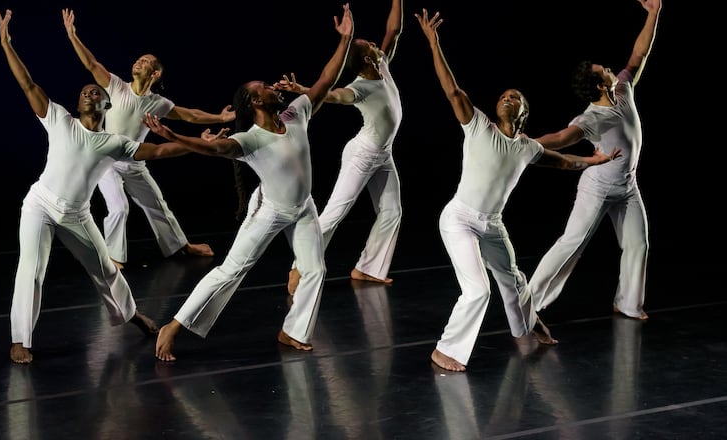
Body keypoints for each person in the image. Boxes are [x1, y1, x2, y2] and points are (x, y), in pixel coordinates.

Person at [0, 9, 223, 364]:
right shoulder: (59, 119)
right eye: (84, 92)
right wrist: (6, 44)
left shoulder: (113, 142)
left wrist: (197, 143)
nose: (89, 92)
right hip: (40, 205)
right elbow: (27, 83)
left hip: (77, 214)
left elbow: (159, 151)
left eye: (94, 92)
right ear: (79, 103)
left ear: (106, 103)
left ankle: (132, 315)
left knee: (106, 270)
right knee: (31, 268)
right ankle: (20, 339)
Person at [146, 4, 355, 362]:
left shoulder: (296, 114)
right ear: (256, 101)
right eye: (266, 87)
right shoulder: (251, 139)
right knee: (231, 270)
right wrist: (175, 136)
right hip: (269, 211)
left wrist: (345, 40)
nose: (273, 86)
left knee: (316, 269)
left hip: (303, 207)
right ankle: (174, 326)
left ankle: (293, 331)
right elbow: (215, 149)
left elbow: (325, 79)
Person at [415, 9, 621, 372]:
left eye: (516, 97)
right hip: (459, 218)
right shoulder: (478, 125)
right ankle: (445, 350)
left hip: (492, 224)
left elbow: (563, 162)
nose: (508, 97)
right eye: (504, 96)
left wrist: (594, 160)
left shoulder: (527, 147)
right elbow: (452, 90)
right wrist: (434, 43)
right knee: (478, 289)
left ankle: (528, 324)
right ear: (497, 107)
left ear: (524, 112)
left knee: (512, 279)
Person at [62, 9, 236, 269]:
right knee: (119, 207)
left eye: (145, 62)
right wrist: (72, 36)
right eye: (139, 59)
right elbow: (91, 64)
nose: (138, 62)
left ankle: (180, 246)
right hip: (107, 161)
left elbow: (190, 115)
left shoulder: (158, 103)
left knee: (157, 204)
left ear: (155, 74)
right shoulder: (117, 86)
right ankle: (112, 257)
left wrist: (220, 118)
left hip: (135, 162)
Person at [525, 0, 661, 322]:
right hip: (597, 188)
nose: (612, 69)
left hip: (627, 186)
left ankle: (628, 304)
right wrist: (523, 142)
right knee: (571, 243)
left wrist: (654, 14)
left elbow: (638, 54)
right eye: (605, 71)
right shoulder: (591, 118)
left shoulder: (623, 89)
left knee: (638, 243)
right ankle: (527, 301)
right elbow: (561, 138)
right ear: (600, 85)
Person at [277, 0, 404, 294]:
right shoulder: (360, 88)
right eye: (370, 45)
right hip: (363, 155)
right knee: (335, 212)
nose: (376, 45)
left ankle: (368, 268)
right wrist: (303, 90)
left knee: (392, 211)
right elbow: (332, 96)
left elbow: (394, 30)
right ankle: (299, 267)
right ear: (367, 59)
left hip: (383, 154)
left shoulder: (382, 65)